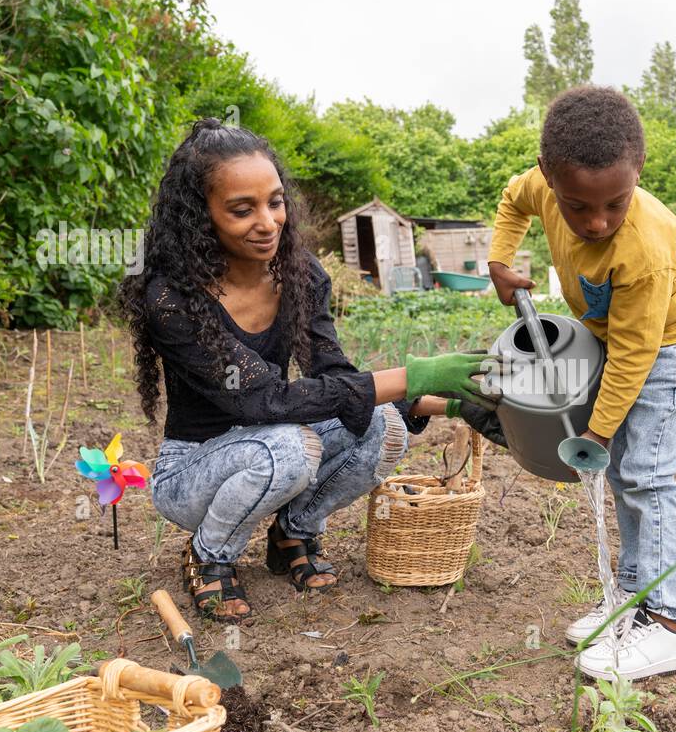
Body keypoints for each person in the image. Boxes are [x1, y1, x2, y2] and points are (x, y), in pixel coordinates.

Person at [120, 118, 492, 623]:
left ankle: (292, 531)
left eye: (275, 202)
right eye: (241, 209)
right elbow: (263, 401)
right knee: (289, 448)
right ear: (200, 217)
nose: (268, 222)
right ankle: (209, 553)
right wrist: (417, 373)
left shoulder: (300, 274)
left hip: (276, 444)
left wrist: (450, 402)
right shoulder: (172, 297)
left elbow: (333, 376)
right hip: (194, 472)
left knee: (383, 427)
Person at [486, 86, 676, 681]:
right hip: (620, 344)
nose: (596, 221)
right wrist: (498, 262)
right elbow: (513, 199)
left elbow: (637, 351)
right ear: (550, 179)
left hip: (670, 349)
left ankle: (669, 625)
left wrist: (595, 430)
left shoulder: (645, 244)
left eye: (614, 202)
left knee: (648, 475)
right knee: (623, 474)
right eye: (576, 206)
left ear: (638, 172)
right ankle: (633, 605)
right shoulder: (539, 185)